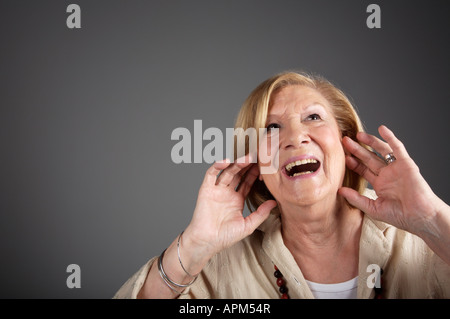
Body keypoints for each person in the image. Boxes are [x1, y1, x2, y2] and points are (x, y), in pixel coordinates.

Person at [114, 71, 450, 299]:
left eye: (313, 117)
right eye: (271, 128)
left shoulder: (421, 238)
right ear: (257, 164)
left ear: (345, 139)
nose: (295, 137)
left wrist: (432, 218)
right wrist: (193, 246)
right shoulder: (226, 264)